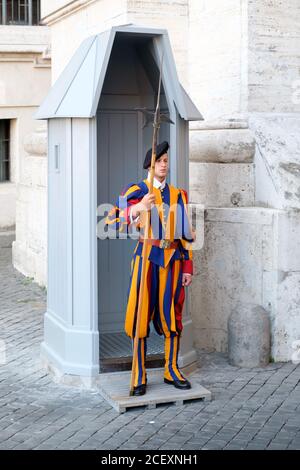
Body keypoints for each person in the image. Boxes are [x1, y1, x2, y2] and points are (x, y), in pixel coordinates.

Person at [105, 141, 195, 396]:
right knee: (140, 314)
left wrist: (187, 266)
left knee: (171, 316)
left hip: (172, 261)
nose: (164, 165)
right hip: (145, 259)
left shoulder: (179, 195)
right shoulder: (137, 190)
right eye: (159, 161)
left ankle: (171, 370)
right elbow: (112, 221)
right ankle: (139, 374)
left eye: (166, 161)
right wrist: (137, 208)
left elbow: (186, 233)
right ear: (150, 165)